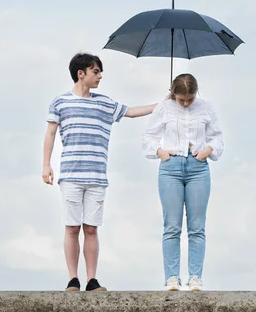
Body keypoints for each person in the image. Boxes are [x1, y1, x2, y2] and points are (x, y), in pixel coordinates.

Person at [42, 52, 157, 292]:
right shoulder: (60, 102)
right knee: (72, 228)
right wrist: (46, 164)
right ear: (81, 73)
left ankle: (92, 280)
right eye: (96, 71)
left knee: (91, 228)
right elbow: (51, 133)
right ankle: (73, 278)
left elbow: (131, 111)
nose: (100, 76)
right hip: (71, 175)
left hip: (96, 176)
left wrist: (162, 105)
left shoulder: (104, 102)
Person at [143, 73, 223, 291]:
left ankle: (195, 276)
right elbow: (148, 137)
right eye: (181, 100)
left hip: (198, 167)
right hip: (170, 167)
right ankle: (172, 278)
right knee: (172, 226)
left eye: (190, 99)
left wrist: (209, 150)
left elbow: (217, 137)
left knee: (197, 227)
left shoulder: (206, 108)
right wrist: (160, 152)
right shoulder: (164, 108)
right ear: (174, 94)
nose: (186, 103)